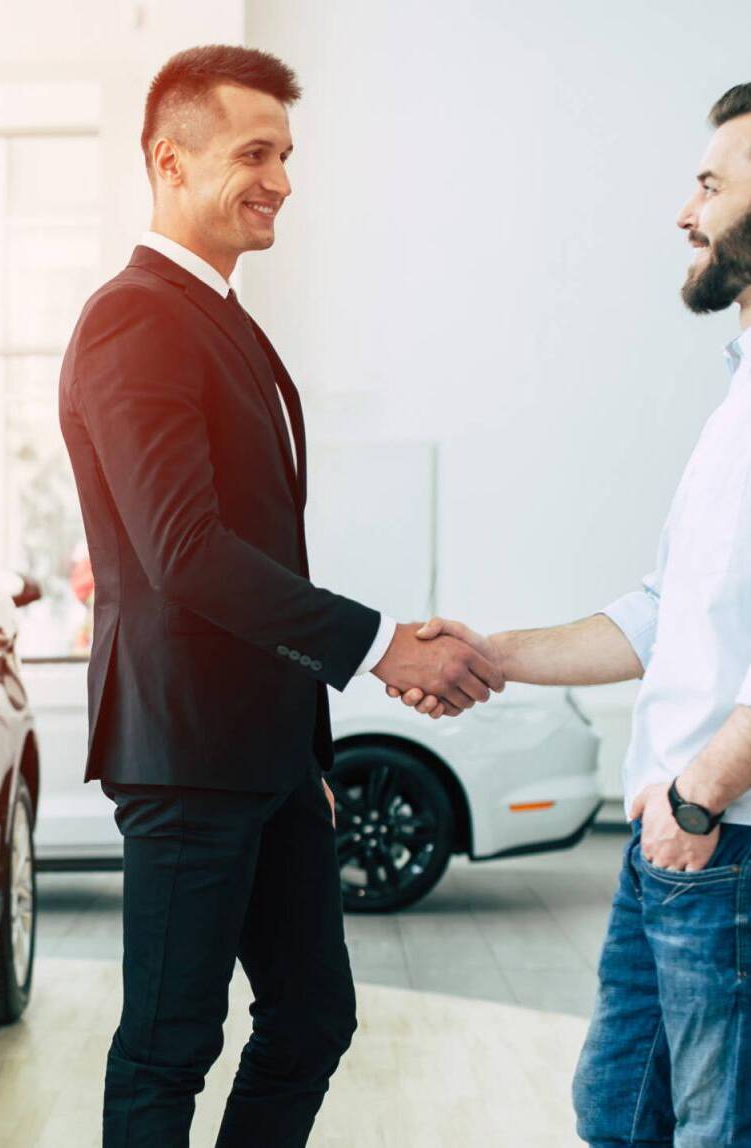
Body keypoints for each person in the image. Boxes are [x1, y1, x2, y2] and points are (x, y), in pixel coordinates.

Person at [58, 43, 503, 1147]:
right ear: (170, 160)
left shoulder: (217, 314)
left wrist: (302, 753)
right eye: (255, 153)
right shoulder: (135, 318)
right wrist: (379, 645)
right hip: (189, 753)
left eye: (286, 154)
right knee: (169, 1043)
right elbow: (185, 550)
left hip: (265, 755)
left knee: (310, 1015)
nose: (282, 181)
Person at [394, 83, 751, 1148]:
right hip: (673, 847)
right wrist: (484, 653)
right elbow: (660, 617)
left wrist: (696, 797)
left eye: (708, 186)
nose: (682, 214)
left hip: (717, 842)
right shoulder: (733, 399)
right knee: (615, 1115)